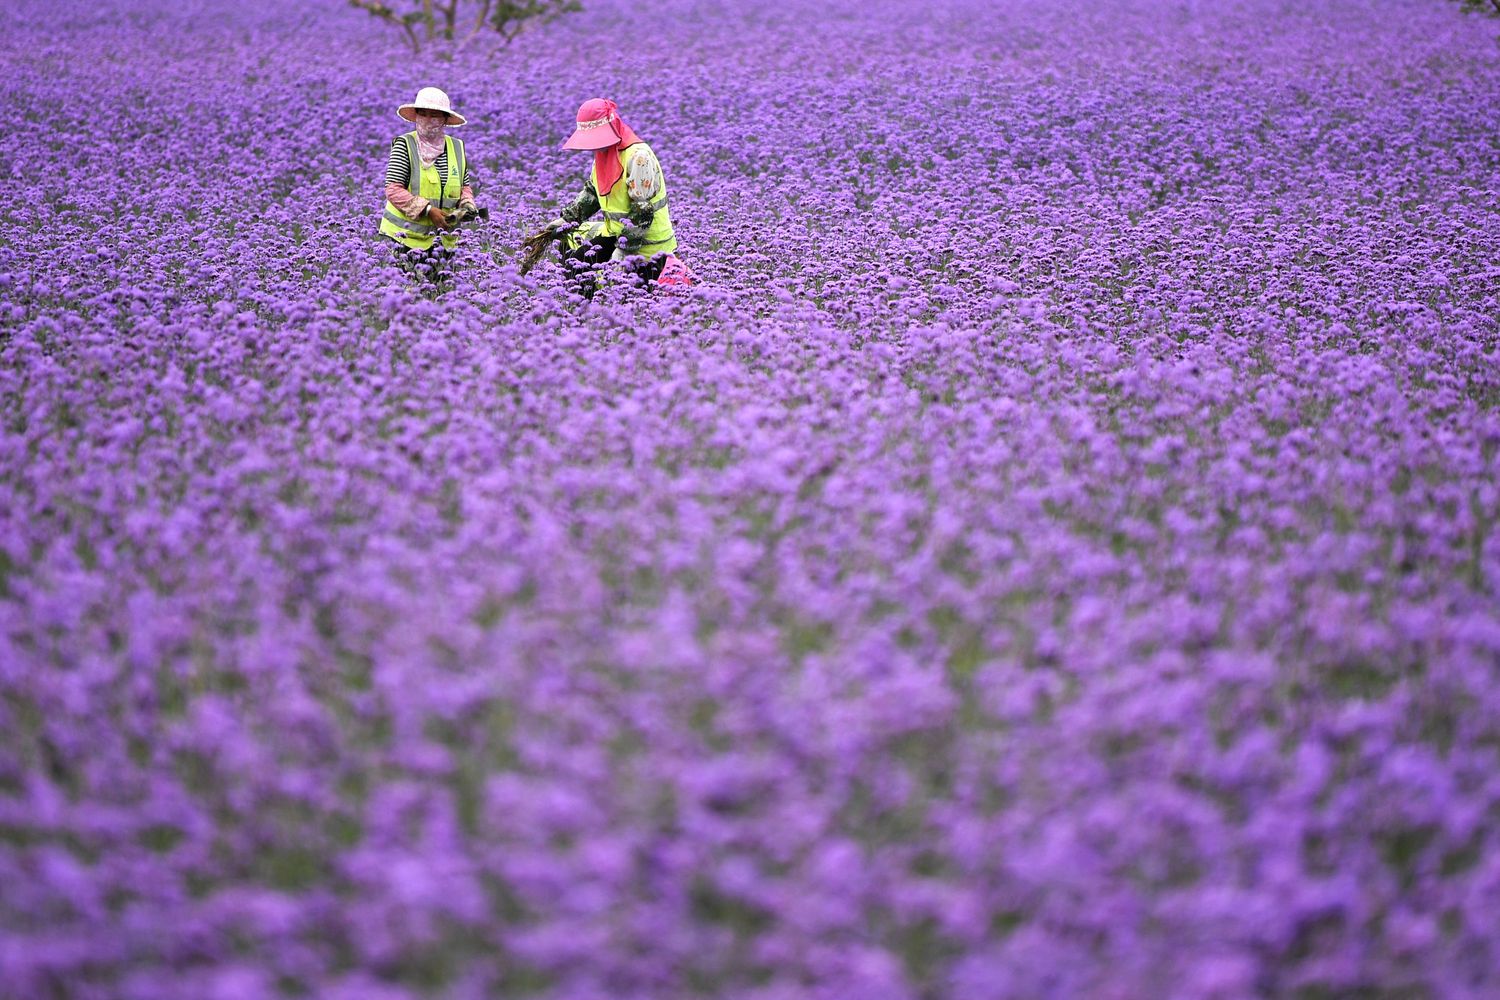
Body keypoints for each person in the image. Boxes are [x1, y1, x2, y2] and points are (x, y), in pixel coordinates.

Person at [544, 98, 678, 293]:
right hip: (616, 235)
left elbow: (643, 212)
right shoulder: (604, 155)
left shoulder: (638, 156)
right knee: (576, 266)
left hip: (649, 246)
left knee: (633, 296)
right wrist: (566, 220)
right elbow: (592, 192)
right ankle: (583, 316)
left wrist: (623, 251)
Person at [378, 87, 478, 287]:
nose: (426, 119)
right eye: (422, 114)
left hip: (443, 241)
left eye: (434, 115)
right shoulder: (405, 145)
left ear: (444, 119)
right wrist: (428, 210)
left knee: (440, 296)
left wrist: (467, 205)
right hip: (405, 240)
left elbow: (463, 185)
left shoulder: (456, 147)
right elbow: (393, 189)